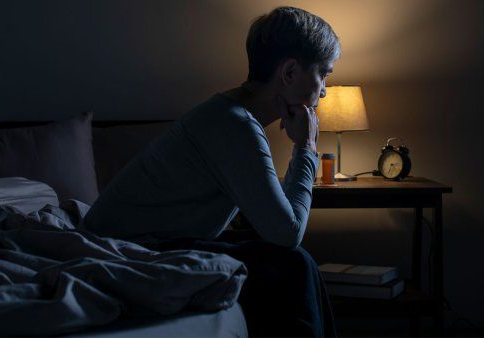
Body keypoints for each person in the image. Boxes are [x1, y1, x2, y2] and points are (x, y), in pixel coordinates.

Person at [84, 6, 340, 337]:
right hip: (131, 249)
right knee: (294, 265)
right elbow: (288, 233)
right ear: (290, 72)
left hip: (156, 241)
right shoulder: (234, 125)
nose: (323, 91)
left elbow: (278, 226)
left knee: (290, 262)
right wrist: (305, 147)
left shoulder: (231, 115)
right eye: (324, 74)